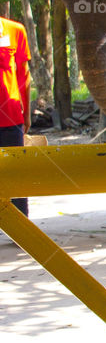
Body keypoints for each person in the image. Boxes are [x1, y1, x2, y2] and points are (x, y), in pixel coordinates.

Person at [0, 14, 31, 215]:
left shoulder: (14, 30)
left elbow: (23, 74)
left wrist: (27, 112)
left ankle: (22, 231)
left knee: (17, 175)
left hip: (9, 119)